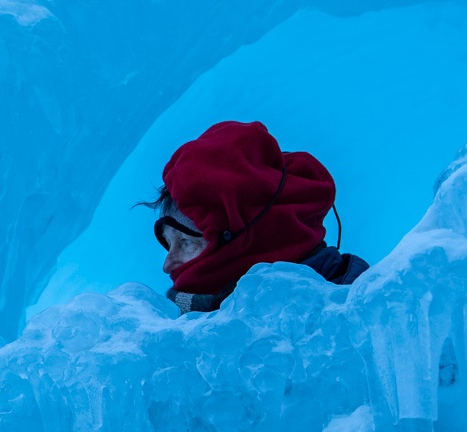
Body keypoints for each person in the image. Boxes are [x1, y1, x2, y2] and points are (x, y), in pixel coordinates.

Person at [145, 121, 369, 313]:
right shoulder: (201, 333)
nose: (167, 265)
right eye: (168, 244)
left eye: (186, 242)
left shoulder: (372, 314)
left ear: (255, 242)